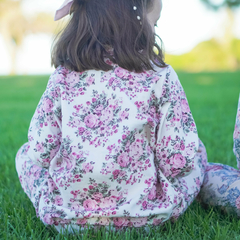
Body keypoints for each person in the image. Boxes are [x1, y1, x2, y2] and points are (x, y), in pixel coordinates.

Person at [15, 0, 208, 233]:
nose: (154, 32)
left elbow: (41, 152)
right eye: (154, 25)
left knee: (25, 155)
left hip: (67, 219)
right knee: (196, 150)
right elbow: (177, 162)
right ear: (133, 21)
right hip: (147, 218)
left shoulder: (62, 77)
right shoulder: (161, 76)